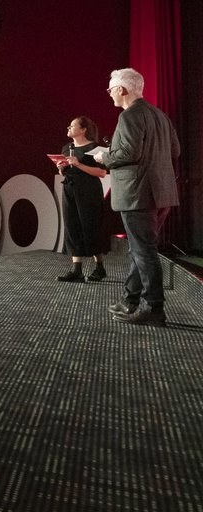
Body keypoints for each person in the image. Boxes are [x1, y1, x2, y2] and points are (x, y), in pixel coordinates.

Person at [95, 68, 181, 326]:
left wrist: (104, 157)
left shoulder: (130, 116)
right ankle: (131, 300)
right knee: (139, 249)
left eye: (110, 89)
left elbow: (128, 153)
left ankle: (153, 308)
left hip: (138, 194)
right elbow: (175, 150)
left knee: (143, 251)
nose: (109, 94)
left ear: (122, 89)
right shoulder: (160, 115)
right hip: (162, 192)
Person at [53, 116, 109, 282]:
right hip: (70, 188)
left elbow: (102, 172)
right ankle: (77, 270)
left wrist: (78, 164)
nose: (68, 127)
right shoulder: (66, 148)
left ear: (83, 129)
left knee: (90, 226)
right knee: (72, 226)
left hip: (89, 191)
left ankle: (99, 267)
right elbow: (66, 171)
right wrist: (61, 168)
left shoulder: (95, 148)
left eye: (72, 125)